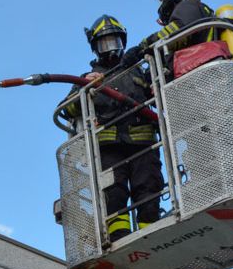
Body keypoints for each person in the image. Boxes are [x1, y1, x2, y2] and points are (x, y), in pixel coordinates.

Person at [64, 14, 163, 241]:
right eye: (105, 43)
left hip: (143, 142)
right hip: (109, 146)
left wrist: (156, 87)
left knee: (148, 186)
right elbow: (65, 110)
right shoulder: (85, 79)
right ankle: (120, 236)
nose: (111, 48)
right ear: (95, 47)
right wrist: (86, 89)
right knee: (114, 191)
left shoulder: (139, 70)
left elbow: (159, 95)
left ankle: (151, 232)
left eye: (115, 42)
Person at [121, 0, 219, 66]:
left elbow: (176, 31)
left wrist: (143, 47)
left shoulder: (189, 5)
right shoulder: (199, 9)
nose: (163, 4)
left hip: (201, 70)